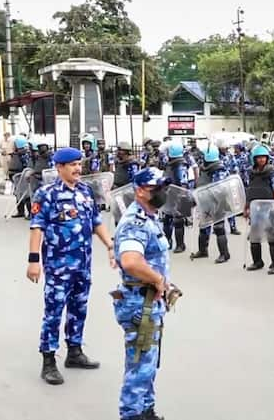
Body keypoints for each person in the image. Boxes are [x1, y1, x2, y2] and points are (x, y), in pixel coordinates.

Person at [26, 147, 116, 385]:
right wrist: (34, 260)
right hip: (58, 266)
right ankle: (48, 361)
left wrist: (109, 245)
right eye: (73, 165)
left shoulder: (86, 191)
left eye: (79, 164)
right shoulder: (47, 194)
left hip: (83, 265)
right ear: (59, 167)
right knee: (54, 312)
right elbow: (37, 227)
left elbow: (96, 221)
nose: (78, 168)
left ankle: (74, 351)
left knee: (79, 308)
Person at [112, 167, 173, 420]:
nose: (162, 193)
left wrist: (164, 283)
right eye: (156, 189)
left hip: (149, 300)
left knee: (148, 363)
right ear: (140, 191)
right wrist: (158, 279)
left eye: (163, 188)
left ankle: (146, 410)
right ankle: (131, 414)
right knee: (140, 365)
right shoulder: (135, 222)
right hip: (140, 303)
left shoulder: (150, 217)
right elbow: (131, 262)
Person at [244, 144, 274, 274]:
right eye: (258, 158)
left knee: (273, 238)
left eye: (263, 158)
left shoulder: (271, 172)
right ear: (254, 159)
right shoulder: (251, 173)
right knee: (255, 237)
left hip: (270, 208)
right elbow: (249, 191)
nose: (261, 160)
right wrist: (246, 207)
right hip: (256, 209)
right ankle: (257, 262)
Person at [190, 147, 232, 263]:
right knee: (204, 227)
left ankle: (224, 254)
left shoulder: (220, 169)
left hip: (218, 203)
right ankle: (203, 250)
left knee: (219, 228)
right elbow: (200, 182)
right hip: (205, 201)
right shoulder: (204, 167)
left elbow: (220, 188)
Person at [163, 142, 190, 253]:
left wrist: (182, 200)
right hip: (169, 194)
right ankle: (168, 241)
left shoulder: (181, 165)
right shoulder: (170, 164)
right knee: (167, 219)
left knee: (178, 221)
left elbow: (183, 183)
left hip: (179, 195)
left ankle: (180, 245)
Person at [10, 137, 32, 218]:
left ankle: (24, 212)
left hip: (19, 176)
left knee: (22, 194)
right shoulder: (23, 154)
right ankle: (24, 212)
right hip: (20, 176)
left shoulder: (20, 154)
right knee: (22, 194)